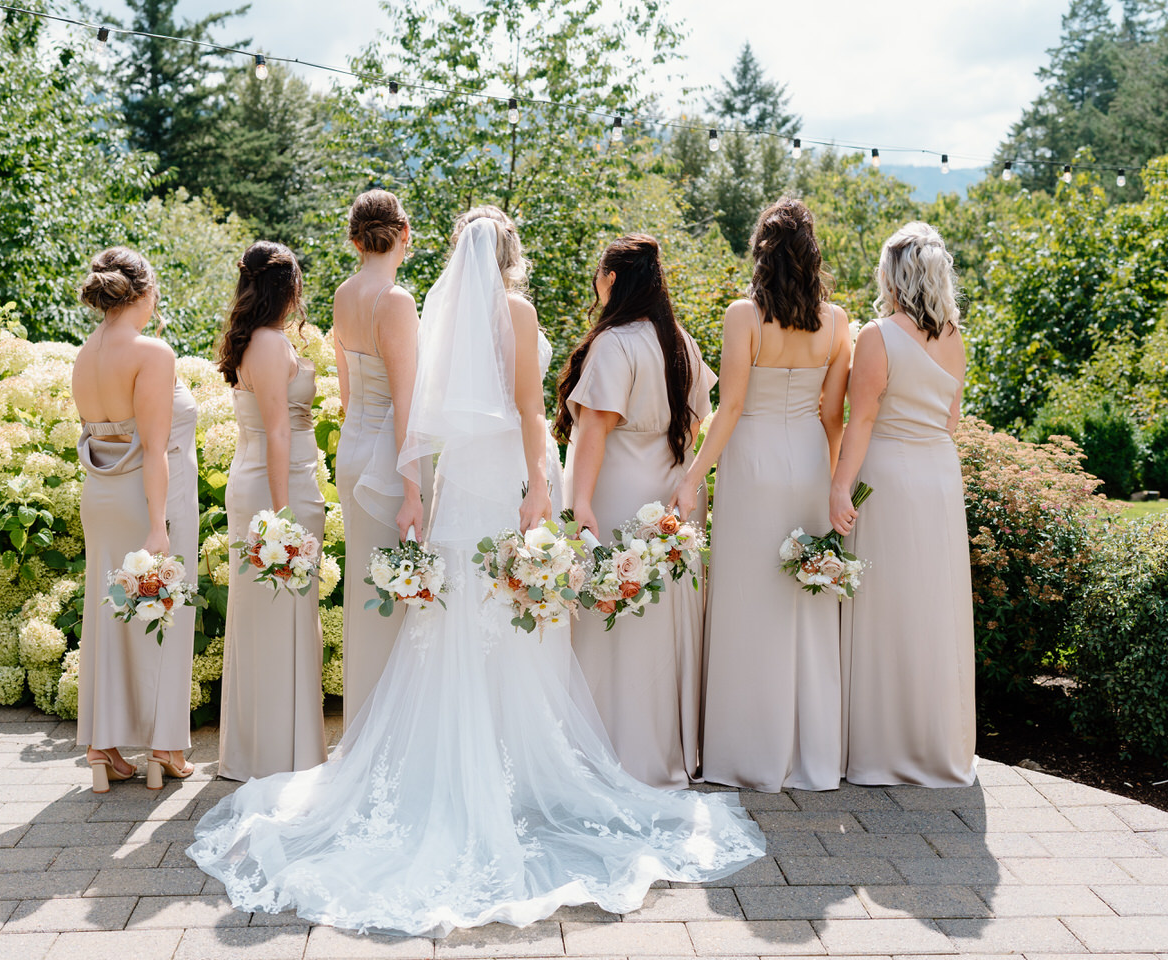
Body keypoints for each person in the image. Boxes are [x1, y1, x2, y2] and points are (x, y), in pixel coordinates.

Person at [188, 213, 765, 937]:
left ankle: (462, 770)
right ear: (512, 255)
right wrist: (538, 486)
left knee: (462, 615)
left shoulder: (440, 309)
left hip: (460, 481)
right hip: (505, 476)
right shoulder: (514, 311)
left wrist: (419, 492)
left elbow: (420, 409)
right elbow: (528, 409)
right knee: (514, 617)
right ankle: (515, 771)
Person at [676, 199, 850, 792]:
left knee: (748, 598)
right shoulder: (838, 323)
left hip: (752, 462)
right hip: (808, 460)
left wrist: (692, 477)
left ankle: (747, 751)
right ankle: (810, 753)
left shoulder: (744, 316)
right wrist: (833, 482)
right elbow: (832, 415)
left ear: (761, 253)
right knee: (805, 598)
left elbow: (730, 408)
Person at [555, 235, 716, 789]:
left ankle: (610, 751)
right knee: (660, 622)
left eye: (598, 277)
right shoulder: (681, 342)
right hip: (670, 497)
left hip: (619, 493)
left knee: (614, 618)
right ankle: (662, 750)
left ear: (613, 280)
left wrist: (579, 502)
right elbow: (697, 421)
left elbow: (594, 430)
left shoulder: (615, 343)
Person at [830, 222, 977, 787]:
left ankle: (881, 746)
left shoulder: (877, 335)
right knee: (932, 606)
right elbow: (951, 421)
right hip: (938, 476)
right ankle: (934, 742)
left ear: (893, 276)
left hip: (889, 476)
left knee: (885, 605)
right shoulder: (955, 337)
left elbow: (861, 420)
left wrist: (839, 486)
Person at [72, 247, 198, 793]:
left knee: (107, 619)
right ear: (143, 292)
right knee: (167, 616)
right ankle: (164, 748)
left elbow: (98, 431)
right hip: (146, 500)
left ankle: (103, 748)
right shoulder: (152, 352)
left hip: (99, 495)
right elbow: (154, 448)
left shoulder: (85, 353)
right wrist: (158, 525)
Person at [214, 241, 327, 781]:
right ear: (288, 285)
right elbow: (278, 430)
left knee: (281, 615)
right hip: (275, 488)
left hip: (275, 479)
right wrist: (282, 516)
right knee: (276, 615)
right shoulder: (267, 343)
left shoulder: (260, 339)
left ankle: (278, 747)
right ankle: (275, 754)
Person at [331, 190, 425, 730]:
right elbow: (405, 403)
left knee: (366, 584)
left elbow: (348, 393)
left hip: (353, 448)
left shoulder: (344, 294)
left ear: (354, 239)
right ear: (405, 233)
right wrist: (413, 490)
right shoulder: (396, 300)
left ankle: (363, 724)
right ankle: (388, 733)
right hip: (389, 458)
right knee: (393, 588)